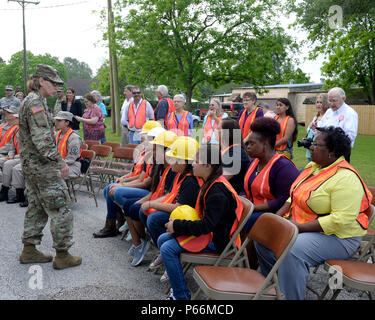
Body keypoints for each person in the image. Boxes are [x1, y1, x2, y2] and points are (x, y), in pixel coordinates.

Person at [255, 126, 373, 300]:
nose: (310, 146)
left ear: (332, 151)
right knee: (263, 237)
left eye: (316, 144)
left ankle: (291, 296)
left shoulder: (346, 178)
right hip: (305, 228)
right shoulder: (314, 167)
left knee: (292, 249)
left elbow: (340, 220)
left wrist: (299, 228)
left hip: (338, 237)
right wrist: (277, 218)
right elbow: (293, 197)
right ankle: (278, 287)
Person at [18, 64, 81, 270]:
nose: (57, 87)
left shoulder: (35, 101)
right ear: (41, 81)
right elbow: (43, 140)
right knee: (61, 208)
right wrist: (60, 162)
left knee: (37, 206)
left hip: (33, 166)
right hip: (42, 167)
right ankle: (62, 255)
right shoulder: (35, 103)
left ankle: (29, 250)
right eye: (53, 83)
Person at [159, 144, 243, 300]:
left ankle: (181, 296)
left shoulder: (217, 191)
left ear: (207, 165)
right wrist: (178, 225)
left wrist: (177, 226)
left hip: (219, 241)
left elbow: (206, 226)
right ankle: (178, 287)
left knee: (167, 249)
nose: (192, 164)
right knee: (162, 238)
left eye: (196, 161)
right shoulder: (210, 181)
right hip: (211, 233)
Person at [139, 136, 201, 272]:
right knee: (144, 212)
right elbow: (170, 195)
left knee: (154, 218)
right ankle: (164, 252)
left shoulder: (190, 181)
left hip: (189, 222)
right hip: (179, 215)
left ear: (185, 162)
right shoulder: (180, 173)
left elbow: (179, 207)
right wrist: (150, 202)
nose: (170, 160)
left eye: (174, 158)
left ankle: (170, 255)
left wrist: (152, 204)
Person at [124, 130, 178, 267]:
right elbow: (154, 190)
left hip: (166, 204)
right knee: (129, 205)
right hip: (156, 199)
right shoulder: (160, 166)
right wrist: (144, 201)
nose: (154, 152)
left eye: (157, 149)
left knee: (141, 210)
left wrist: (149, 203)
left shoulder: (174, 169)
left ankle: (150, 243)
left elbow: (168, 195)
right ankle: (139, 242)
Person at [243, 117, 300, 231]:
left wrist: (252, 208)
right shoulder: (254, 162)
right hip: (252, 209)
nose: (247, 147)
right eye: (247, 143)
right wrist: (241, 200)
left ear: (265, 144)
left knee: (247, 220)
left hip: (275, 213)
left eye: (252, 144)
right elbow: (246, 189)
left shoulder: (283, 167)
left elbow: (284, 199)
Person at [319, 87, 358, 162]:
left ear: (343, 98)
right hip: (325, 150)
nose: (331, 104)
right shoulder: (329, 112)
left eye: (334, 101)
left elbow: (350, 136)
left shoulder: (350, 113)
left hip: (340, 153)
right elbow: (321, 127)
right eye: (329, 101)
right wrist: (315, 128)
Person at [215, 118, 250, 195]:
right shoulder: (224, 149)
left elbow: (221, 179)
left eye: (218, 128)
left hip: (232, 196)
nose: (215, 130)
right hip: (222, 192)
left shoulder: (236, 153)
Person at [0, 105, 20, 202]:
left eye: (9, 113)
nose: (6, 114)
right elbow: (12, 146)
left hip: (20, 156)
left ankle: (5, 191)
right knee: (7, 163)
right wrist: (11, 154)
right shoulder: (4, 126)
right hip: (11, 154)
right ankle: (4, 190)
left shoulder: (20, 129)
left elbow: (10, 146)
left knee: (7, 164)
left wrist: (12, 155)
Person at [54, 111, 83, 178]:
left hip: (72, 165)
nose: (56, 122)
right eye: (56, 120)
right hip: (60, 164)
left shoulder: (74, 138)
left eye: (59, 120)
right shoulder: (57, 134)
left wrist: (56, 165)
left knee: (53, 174)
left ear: (67, 123)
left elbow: (71, 158)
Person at [305, 93, 329, 162]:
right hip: (310, 153)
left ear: (326, 104)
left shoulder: (327, 118)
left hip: (320, 153)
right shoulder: (316, 117)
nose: (318, 104)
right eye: (317, 102)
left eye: (321, 102)